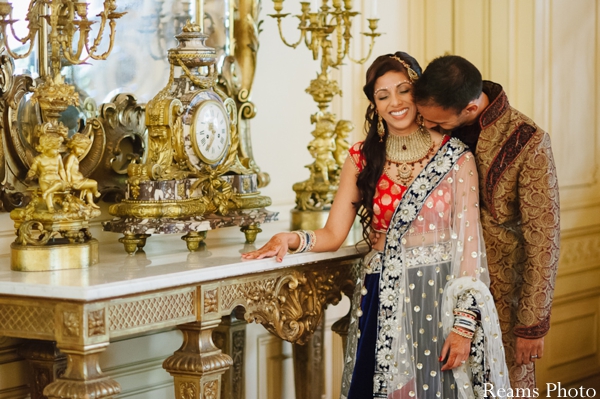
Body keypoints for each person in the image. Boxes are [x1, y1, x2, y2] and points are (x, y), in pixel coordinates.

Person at [243, 51, 510, 398]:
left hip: (439, 299)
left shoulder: (456, 157)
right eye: (382, 96)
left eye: (403, 91)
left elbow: (470, 246)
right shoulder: (363, 157)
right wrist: (290, 239)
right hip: (383, 294)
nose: (395, 103)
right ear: (374, 104)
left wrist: (463, 325)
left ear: (420, 94)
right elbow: (333, 234)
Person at [412, 55, 560, 394]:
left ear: (469, 108)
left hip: (502, 302)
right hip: (439, 293)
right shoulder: (432, 130)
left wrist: (532, 326)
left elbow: (544, 239)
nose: (430, 127)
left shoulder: (528, 141)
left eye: (438, 122)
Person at [27, 133, 68, 212]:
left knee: (58, 183)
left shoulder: (58, 157)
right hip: (44, 180)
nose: (57, 151)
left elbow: (61, 170)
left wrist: (66, 181)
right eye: (55, 149)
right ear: (46, 147)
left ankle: (46, 192)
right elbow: (33, 169)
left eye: (58, 149)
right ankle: (50, 207)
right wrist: (31, 172)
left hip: (56, 180)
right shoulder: (38, 159)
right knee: (45, 187)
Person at [64, 133, 101, 208]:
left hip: (79, 180)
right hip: (75, 182)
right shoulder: (71, 157)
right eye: (80, 148)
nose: (82, 151)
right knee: (94, 183)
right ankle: (96, 192)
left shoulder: (74, 157)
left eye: (84, 149)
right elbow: (67, 168)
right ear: (73, 145)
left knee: (88, 189)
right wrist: (67, 181)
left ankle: (90, 202)